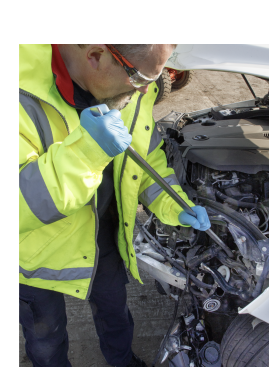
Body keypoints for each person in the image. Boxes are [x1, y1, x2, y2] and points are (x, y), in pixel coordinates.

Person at [19, 44, 211, 367]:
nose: (148, 88)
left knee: (116, 314)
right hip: (35, 255)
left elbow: (146, 157)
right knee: (46, 340)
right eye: (140, 76)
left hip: (102, 236)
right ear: (95, 56)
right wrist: (84, 155)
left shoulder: (130, 89)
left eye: (157, 75)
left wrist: (173, 203)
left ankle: (122, 365)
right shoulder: (25, 94)